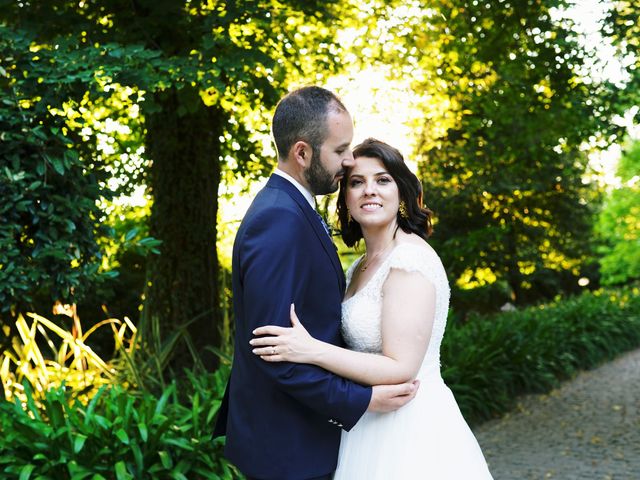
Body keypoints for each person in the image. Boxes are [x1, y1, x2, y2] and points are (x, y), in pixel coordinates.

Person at [251, 138, 494, 479]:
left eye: (382, 180)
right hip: (365, 426)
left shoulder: (409, 260)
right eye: (356, 182)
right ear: (345, 197)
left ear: (402, 192)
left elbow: (401, 367)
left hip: (410, 429)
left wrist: (311, 350)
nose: (369, 191)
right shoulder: (359, 268)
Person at [213, 88, 419, 480]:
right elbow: (273, 351)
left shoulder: (292, 208)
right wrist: (363, 400)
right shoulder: (279, 219)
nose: (349, 160)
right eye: (340, 149)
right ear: (303, 153)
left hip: (303, 440)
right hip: (289, 448)